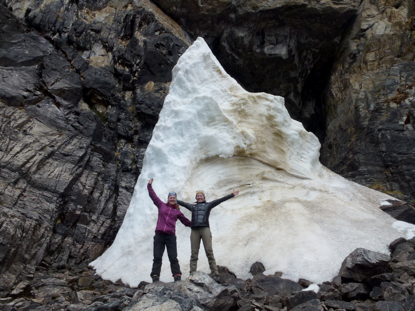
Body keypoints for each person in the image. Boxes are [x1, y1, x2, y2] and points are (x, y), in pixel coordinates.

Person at [177, 189, 239, 281]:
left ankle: (215, 273)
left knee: (209, 251)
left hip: (205, 229)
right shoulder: (192, 206)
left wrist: (232, 195)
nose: (199, 197)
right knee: (194, 253)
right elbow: (183, 203)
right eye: (198, 196)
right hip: (194, 230)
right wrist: (174, 200)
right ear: (196, 198)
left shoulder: (208, 205)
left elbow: (219, 200)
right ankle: (192, 274)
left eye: (201, 195)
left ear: (204, 197)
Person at [147, 178, 191, 282]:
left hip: (170, 236)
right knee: (157, 256)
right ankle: (155, 276)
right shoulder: (161, 205)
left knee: (173, 256)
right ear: (168, 198)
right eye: (170, 197)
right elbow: (153, 196)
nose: (172, 199)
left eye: (173, 198)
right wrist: (149, 186)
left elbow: (185, 221)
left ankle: (177, 275)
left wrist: (195, 225)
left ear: (175, 199)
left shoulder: (177, 212)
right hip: (159, 235)